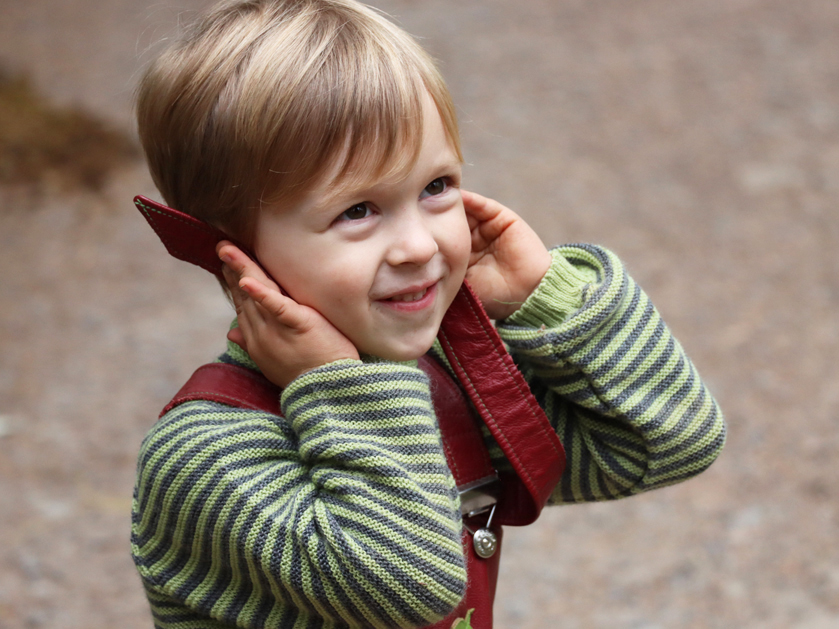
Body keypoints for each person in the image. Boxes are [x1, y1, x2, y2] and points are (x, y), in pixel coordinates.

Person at [130, 0, 726, 627]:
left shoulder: (435, 383)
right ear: (235, 254)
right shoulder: (204, 455)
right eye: (357, 210)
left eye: (435, 187)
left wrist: (543, 296)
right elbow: (407, 586)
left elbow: (666, 441)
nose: (420, 246)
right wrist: (343, 390)